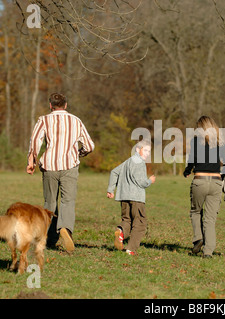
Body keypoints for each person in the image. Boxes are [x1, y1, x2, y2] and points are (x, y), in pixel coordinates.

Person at [26, 93, 94, 252]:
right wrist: (79, 153)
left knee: (50, 203)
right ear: (66, 105)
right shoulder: (76, 121)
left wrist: (32, 161)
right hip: (70, 165)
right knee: (68, 201)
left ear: (50, 105)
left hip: (50, 166)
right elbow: (90, 146)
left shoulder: (44, 120)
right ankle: (66, 229)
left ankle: (46, 238)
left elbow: (35, 141)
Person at [183, 116, 225, 258]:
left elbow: (192, 160)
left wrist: (187, 171)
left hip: (200, 180)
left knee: (196, 211)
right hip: (216, 182)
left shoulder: (196, 141)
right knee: (210, 219)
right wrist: (221, 177)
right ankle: (208, 252)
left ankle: (198, 238)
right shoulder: (220, 142)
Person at [106, 140, 156, 255]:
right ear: (138, 150)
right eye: (146, 150)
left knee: (127, 220)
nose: (148, 153)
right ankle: (131, 249)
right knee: (140, 223)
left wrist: (110, 189)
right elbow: (141, 182)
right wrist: (150, 181)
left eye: (149, 151)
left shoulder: (128, 161)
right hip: (136, 198)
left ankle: (121, 231)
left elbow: (114, 172)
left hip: (124, 197)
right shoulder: (140, 163)